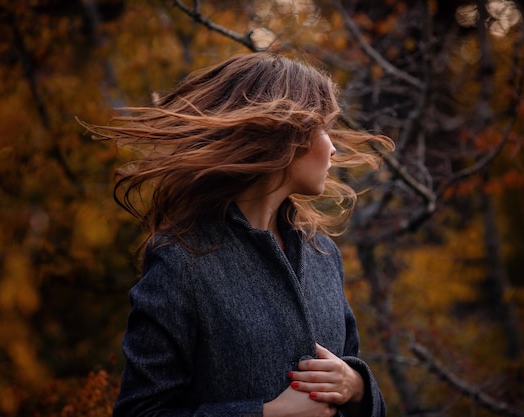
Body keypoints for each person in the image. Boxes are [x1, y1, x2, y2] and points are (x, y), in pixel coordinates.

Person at [88, 52, 394, 417]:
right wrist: (266, 414)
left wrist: (357, 387)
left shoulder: (323, 255)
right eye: (322, 129)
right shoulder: (182, 261)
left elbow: (351, 378)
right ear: (284, 136)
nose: (332, 147)